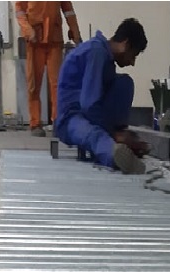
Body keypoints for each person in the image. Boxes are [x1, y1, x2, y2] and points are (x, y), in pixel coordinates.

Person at [55, 18, 150, 174]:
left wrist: (123, 133)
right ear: (125, 44)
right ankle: (113, 153)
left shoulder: (105, 56)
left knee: (124, 83)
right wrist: (113, 134)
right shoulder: (96, 52)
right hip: (70, 119)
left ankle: (118, 143)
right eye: (133, 55)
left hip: (89, 114)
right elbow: (88, 105)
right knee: (94, 135)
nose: (132, 62)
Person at [16, 2, 82, 137]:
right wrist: (27, 30)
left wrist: (75, 33)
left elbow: (68, 11)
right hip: (35, 40)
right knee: (34, 84)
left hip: (54, 39)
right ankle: (35, 123)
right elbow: (19, 10)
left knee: (57, 84)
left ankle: (58, 121)